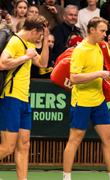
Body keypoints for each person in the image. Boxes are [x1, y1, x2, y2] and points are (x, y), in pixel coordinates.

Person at [63, 16, 110, 180]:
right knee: (75, 139)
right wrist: (99, 74)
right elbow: (74, 78)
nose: (104, 34)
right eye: (102, 31)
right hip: (81, 101)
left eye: (105, 31)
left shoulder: (102, 45)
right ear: (92, 30)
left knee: (109, 138)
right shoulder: (80, 50)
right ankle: (66, 177)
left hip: (99, 101)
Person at [0, 15, 49, 180]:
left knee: (24, 145)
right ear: (34, 31)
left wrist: (47, 37)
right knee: (7, 147)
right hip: (11, 98)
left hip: (24, 100)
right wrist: (26, 57)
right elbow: (2, 63)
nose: (39, 39)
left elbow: (42, 64)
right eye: (40, 35)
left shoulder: (29, 44)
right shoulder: (15, 42)